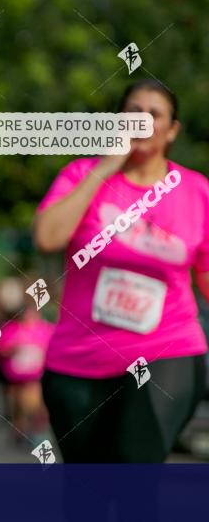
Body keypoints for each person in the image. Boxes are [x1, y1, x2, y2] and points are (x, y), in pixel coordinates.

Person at [33, 79, 209, 462]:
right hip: (79, 359)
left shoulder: (196, 191)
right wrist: (108, 165)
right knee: (87, 492)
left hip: (166, 350)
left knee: (135, 471)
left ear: (172, 129)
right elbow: (47, 236)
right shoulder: (82, 174)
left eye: (154, 114)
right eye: (133, 113)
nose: (142, 122)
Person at [0, 301, 53, 443]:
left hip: (35, 375)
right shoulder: (11, 329)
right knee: (17, 404)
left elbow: (54, 348)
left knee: (34, 404)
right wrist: (14, 349)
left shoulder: (46, 329)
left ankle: (35, 430)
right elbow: (1, 349)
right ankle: (18, 429)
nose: (30, 316)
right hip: (13, 375)